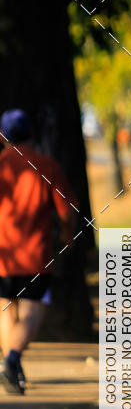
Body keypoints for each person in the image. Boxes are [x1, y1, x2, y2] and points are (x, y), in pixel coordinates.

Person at [0, 109, 77, 394]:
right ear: (31, 134)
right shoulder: (46, 165)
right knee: (33, 310)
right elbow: (66, 211)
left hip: (2, 255)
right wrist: (68, 236)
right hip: (35, 254)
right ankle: (11, 359)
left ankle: (11, 369)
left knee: (6, 309)